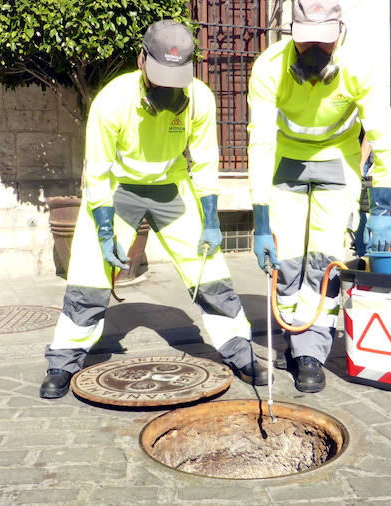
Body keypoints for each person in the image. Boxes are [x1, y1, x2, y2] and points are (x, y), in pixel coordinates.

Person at [40, 20, 268, 399]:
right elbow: (96, 172)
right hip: (120, 189)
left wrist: (212, 223)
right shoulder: (112, 101)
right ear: (142, 60)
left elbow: (207, 162)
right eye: (160, 77)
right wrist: (104, 232)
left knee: (209, 270)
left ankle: (240, 351)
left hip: (171, 189)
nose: (167, 89)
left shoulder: (200, 99)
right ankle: (63, 360)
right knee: (88, 274)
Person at [247, 0, 391, 393]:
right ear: (290, 35)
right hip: (286, 165)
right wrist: (260, 222)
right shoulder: (268, 68)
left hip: (338, 163)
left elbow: (384, 139)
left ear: (340, 32)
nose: (314, 53)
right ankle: (292, 336)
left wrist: (379, 209)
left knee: (324, 260)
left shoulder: (359, 68)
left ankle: (311, 351)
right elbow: (261, 143)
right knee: (289, 259)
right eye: (304, 43)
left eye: (324, 43)